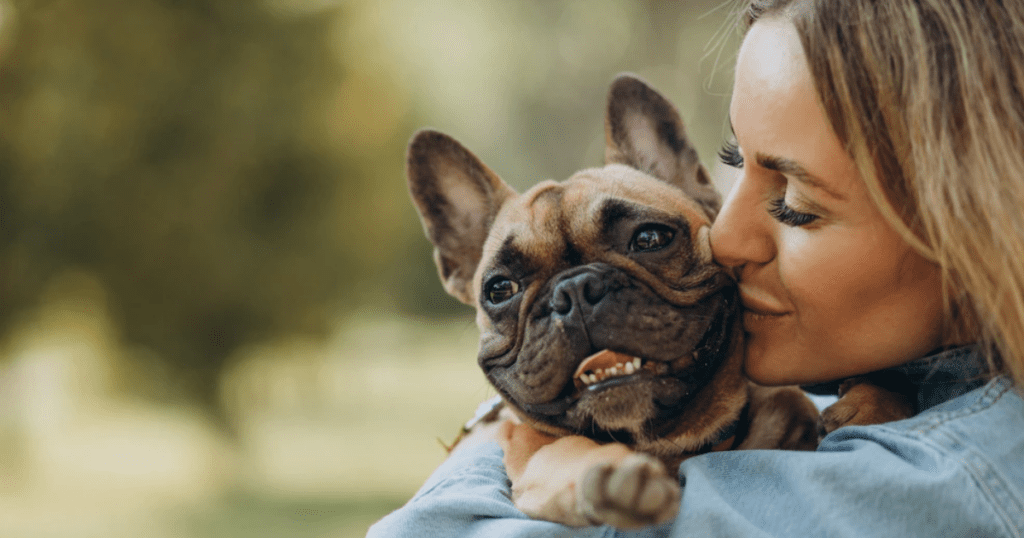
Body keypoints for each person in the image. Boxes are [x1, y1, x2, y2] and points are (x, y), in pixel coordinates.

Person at [368, 0, 1024, 535]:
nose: (724, 236)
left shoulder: (945, 478)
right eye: (736, 165)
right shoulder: (846, 392)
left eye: (796, 203)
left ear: (973, 219)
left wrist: (501, 442)